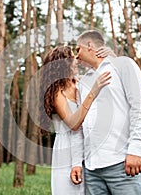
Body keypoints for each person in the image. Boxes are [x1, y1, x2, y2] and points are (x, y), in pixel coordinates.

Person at [70, 30, 141, 195]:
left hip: (121, 162)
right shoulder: (84, 82)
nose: (76, 56)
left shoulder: (123, 65)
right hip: (91, 169)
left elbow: (139, 108)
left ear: (90, 45)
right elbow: (80, 124)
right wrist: (77, 162)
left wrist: (135, 150)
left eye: (78, 49)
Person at [40, 45, 113, 195]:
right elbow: (73, 124)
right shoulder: (56, 94)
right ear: (64, 64)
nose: (77, 60)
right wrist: (93, 92)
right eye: (73, 57)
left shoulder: (78, 83)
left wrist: (109, 55)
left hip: (85, 148)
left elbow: (100, 71)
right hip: (65, 152)